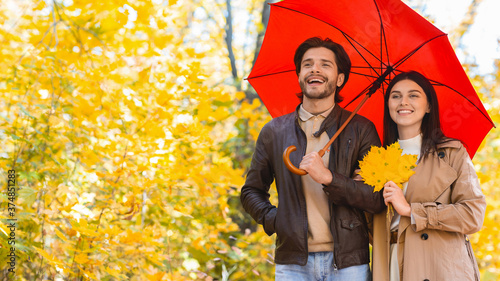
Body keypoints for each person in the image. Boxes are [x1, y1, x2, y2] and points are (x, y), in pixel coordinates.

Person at [240, 37, 385, 281]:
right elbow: (251, 191)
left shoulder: (361, 129)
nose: (315, 69)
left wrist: (330, 179)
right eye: (307, 64)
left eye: (325, 64)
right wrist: (277, 220)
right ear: (299, 75)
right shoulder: (275, 131)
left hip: (349, 262)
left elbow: (376, 197)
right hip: (293, 263)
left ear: (340, 79)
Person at [371, 71, 486, 281]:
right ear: (388, 105)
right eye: (395, 96)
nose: (403, 102)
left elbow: (473, 214)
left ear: (429, 106)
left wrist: (411, 210)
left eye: (413, 95)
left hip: (438, 265)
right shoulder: (376, 159)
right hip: (390, 264)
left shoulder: (452, 153)